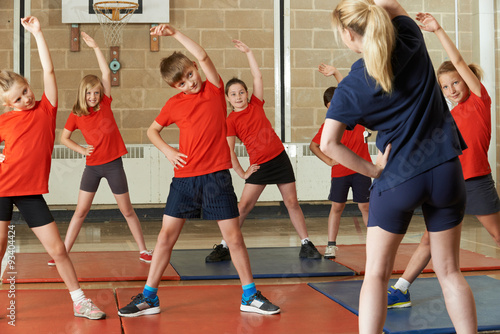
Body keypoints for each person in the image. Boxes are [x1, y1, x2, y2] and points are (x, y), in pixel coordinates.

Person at [320, 1, 477, 333]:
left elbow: (328, 144)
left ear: (348, 35)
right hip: (446, 170)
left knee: (377, 274)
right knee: (450, 271)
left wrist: (372, 170)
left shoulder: (351, 85)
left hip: (398, 178)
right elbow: (390, 5)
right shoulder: (410, 38)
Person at [117, 24, 280, 317]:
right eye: (181, 83)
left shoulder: (215, 90)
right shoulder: (173, 104)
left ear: (194, 68)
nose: (189, 83)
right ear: (174, 88)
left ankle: (250, 295)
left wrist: (175, 33)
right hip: (184, 179)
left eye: (190, 75)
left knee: (233, 239)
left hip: (217, 177)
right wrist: (168, 151)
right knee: (166, 237)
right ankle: (149, 297)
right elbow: (152, 131)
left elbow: (204, 56)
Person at [387, 12, 500, 309]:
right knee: (429, 240)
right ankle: (401, 289)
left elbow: (459, 62)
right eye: (445, 87)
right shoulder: (449, 115)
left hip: (476, 181)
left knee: (497, 233)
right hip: (450, 184)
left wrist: (437, 31)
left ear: (466, 81)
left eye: (455, 84)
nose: (451, 91)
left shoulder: (479, 100)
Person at [0, 17, 105, 320]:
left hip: (30, 192)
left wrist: (38, 34)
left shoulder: (46, 109)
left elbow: (49, 70)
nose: (25, 97)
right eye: (17, 98)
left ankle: (80, 300)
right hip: (3, 188)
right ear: (9, 105)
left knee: (58, 249)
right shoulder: (5, 121)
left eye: (25, 90)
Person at [205, 39, 321, 263]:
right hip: (259, 164)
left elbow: (258, 77)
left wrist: (249, 51)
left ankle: (306, 243)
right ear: (228, 98)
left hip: (279, 159)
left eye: (241, 92)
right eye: (233, 94)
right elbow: (229, 150)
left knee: (292, 203)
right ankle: (224, 245)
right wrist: (242, 172)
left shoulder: (256, 105)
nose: (238, 97)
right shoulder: (231, 120)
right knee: (244, 206)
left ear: (247, 94)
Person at [49, 32, 152, 266]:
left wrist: (95, 46)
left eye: (96, 92)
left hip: (113, 164)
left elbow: (106, 73)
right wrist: (81, 150)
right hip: (92, 167)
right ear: (82, 94)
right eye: (89, 93)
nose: (94, 96)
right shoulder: (76, 115)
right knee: (80, 211)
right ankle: (62, 252)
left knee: (126, 211)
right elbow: (64, 138)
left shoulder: (106, 102)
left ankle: (144, 250)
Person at [310, 63, 371, 259]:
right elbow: (313, 145)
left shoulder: (357, 116)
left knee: (365, 207)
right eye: (330, 107)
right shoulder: (329, 125)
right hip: (340, 172)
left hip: (362, 169)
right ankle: (331, 245)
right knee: (337, 207)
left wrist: (336, 73)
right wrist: (328, 161)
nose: (334, 109)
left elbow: (348, 91)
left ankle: (374, 244)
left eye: (336, 104)